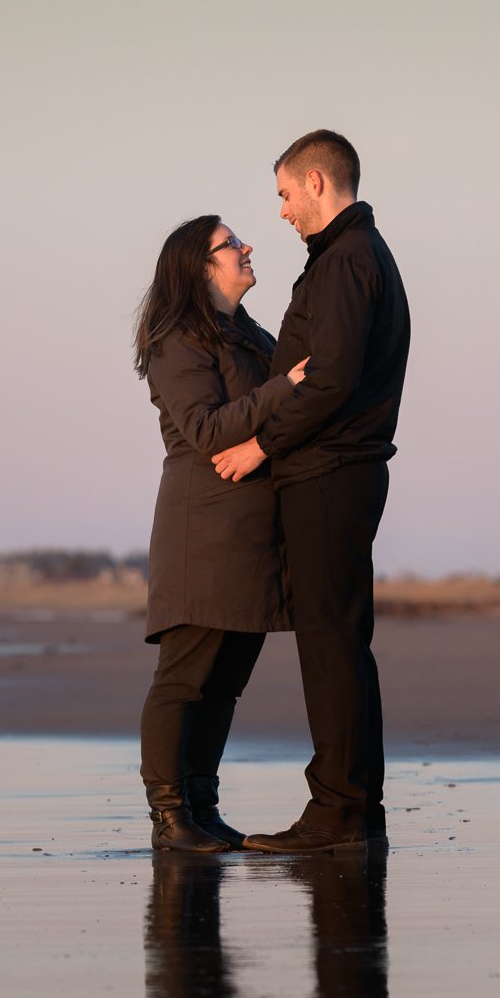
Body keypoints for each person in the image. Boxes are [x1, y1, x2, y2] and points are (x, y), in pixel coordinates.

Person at [211, 130, 410, 853]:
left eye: (286, 195)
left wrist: (258, 444)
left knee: (332, 644)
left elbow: (330, 379)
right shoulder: (349, 258)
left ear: (318, 181)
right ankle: (353, 811)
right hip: (334, 469)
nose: (285, 212)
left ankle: (339, 814)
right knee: (338, 642)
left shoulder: (349, 260)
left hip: (332, 471)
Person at [135, 214, 308, 853]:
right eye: (230, 243)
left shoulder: (249, 333)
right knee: (186, 678)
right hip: (203, 529)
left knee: (226, 682)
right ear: (198, 266)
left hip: (256, 532)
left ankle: (202, 809)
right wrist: (287, 386)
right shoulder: (177, 338)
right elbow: (208, 432)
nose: (246, 247)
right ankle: (170, 816)